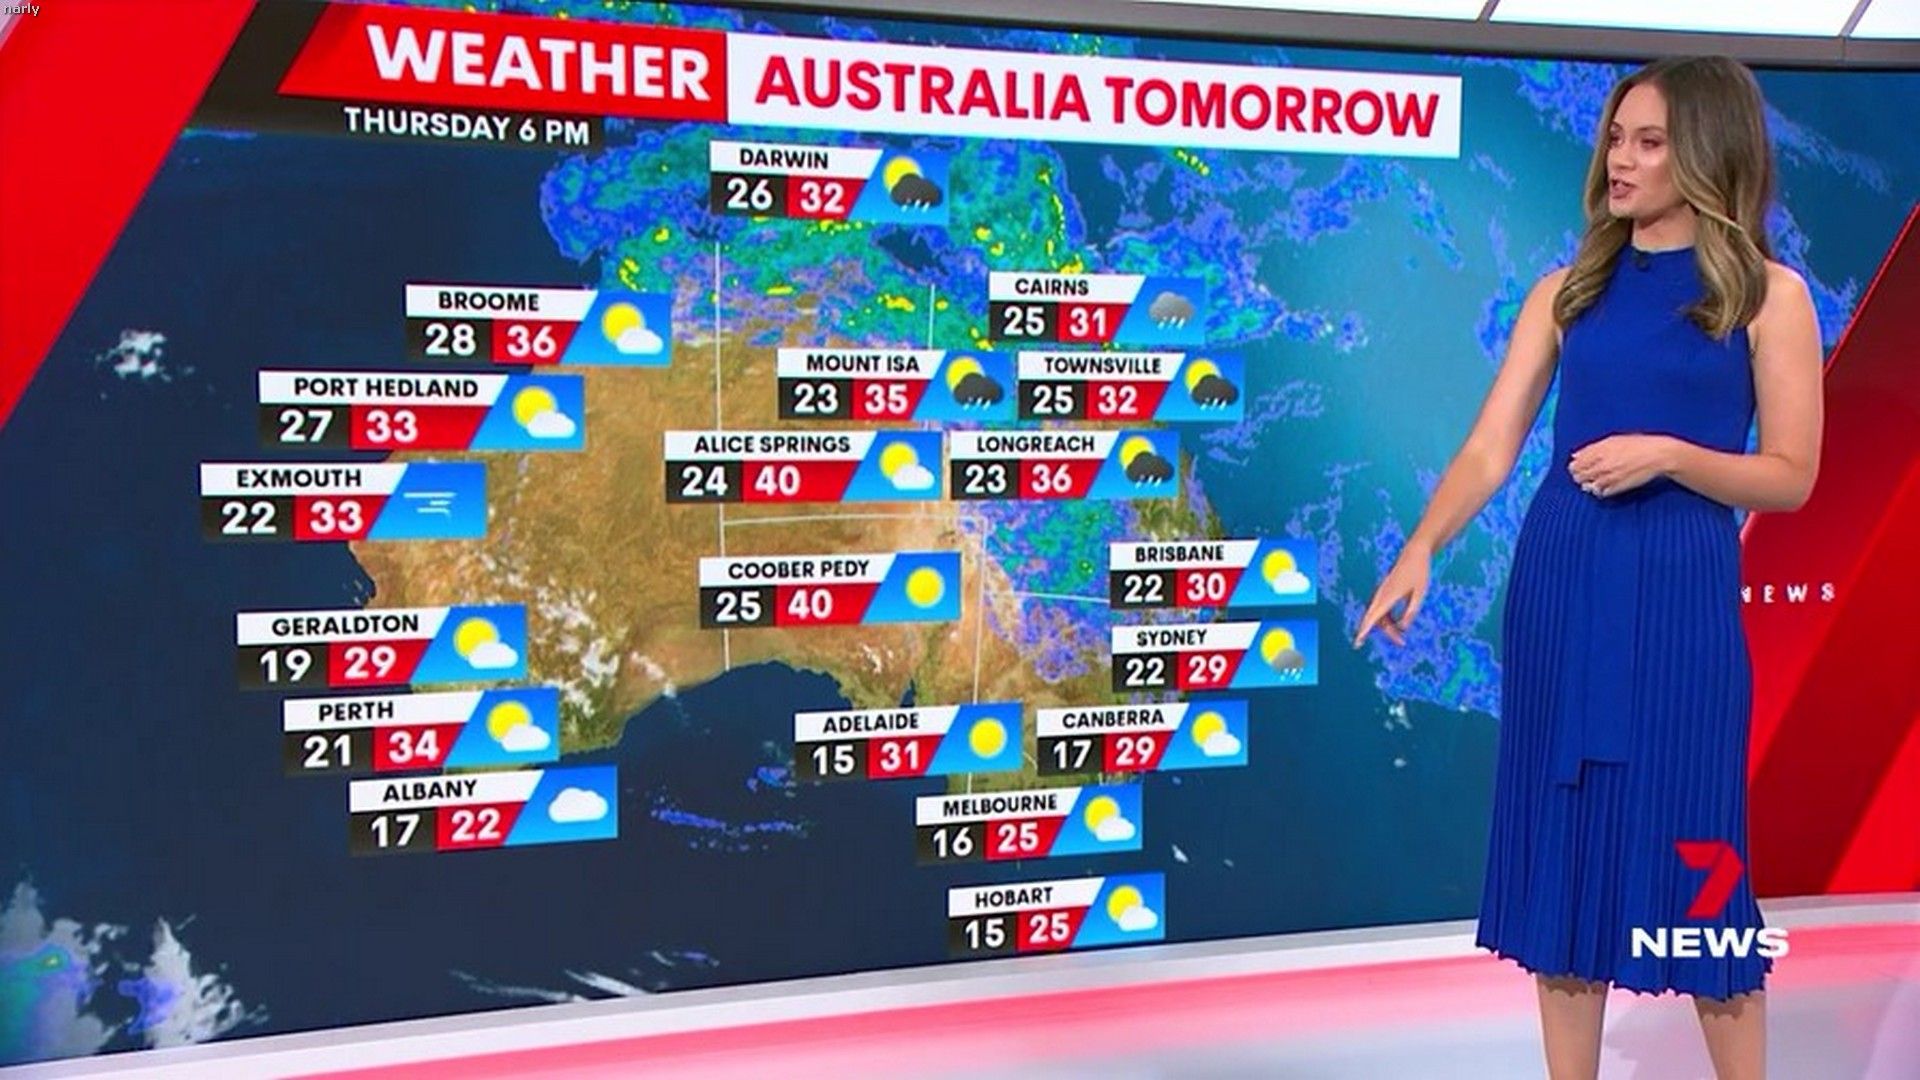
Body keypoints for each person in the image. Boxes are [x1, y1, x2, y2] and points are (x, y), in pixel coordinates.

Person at [1352, 56, 1823, 1080]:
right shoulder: (1567, 293)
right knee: (1563, 858)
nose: (1621, 159)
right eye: (1616, 137)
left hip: (1680, 595)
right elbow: (1492, 447)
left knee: (1700, 862)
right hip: (1565, 583)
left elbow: (1791, 476)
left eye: (1649, 142)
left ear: (1707, 152)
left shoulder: (1767, 297)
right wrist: (1422, 545)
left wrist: (1670, 455)